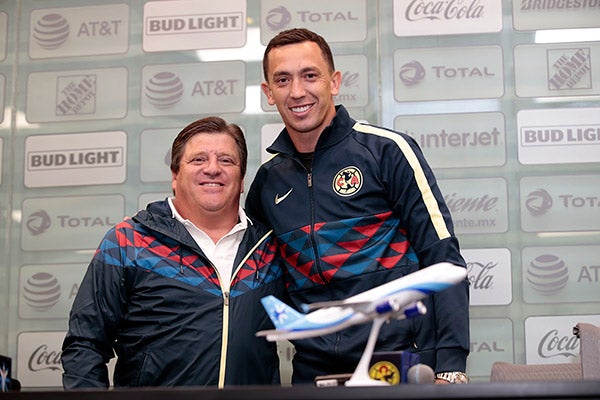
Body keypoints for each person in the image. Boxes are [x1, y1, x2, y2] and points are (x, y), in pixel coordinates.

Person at [245, 28, 470, 385]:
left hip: (401, 360)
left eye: (310, 75)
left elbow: (442, 256)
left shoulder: (387, 151)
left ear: (334, 82)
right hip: (312, 370)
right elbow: (254, 280)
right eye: (282, 80)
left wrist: (451, 365)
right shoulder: (267, 183)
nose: (297, 91)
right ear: (268, 93)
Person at [62, 116, 285, 388]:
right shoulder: (128, 242)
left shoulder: (269, 249)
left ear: (241, 179)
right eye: (198, 160)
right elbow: (85, 344)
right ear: (175, 176)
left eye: (226, 160)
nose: (213, 169)